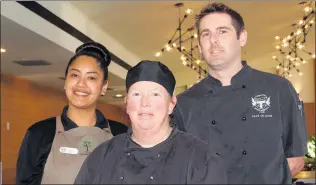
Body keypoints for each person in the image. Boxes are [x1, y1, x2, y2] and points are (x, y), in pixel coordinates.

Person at [172, 3, 308, 184]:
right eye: (206, 34)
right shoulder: (183, 103)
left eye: (222, 31)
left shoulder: (278, 88)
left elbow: (295, 161)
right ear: (199, 45)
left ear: (242, 37)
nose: (214, 40)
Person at [74, 60, 227, 184]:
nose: (145, 102)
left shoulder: (201, 159)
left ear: (171, 105)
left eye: (155, 94)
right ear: (127, 103)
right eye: (137, 94)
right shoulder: (102, 155)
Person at [16, 42, 116, 184]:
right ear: (65, 81)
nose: (81, 84)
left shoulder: (122, 134)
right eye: (75, 75)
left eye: (91, 78)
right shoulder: (40, 133)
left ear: (104, 87)